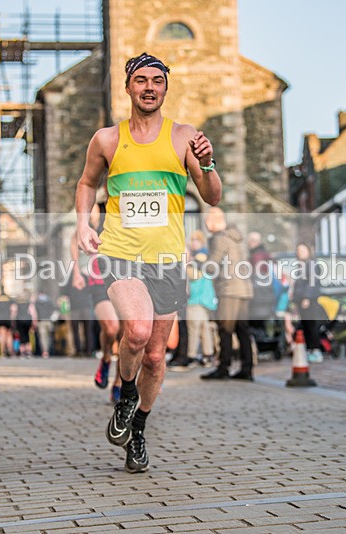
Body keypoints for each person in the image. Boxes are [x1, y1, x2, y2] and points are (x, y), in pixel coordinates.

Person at [75, 52, 221, 473]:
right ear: (128, 87)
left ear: (165, 88)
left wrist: (208, 163)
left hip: (169, 260)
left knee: (156, 358)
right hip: (121, 252)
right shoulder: (106, 139)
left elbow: (212, 196)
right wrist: (83, 224)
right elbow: (86, 183)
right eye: (141, 80)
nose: (150, 87)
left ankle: (137, 428)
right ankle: (124, 396)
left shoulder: (184, 137)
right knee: (135, 330)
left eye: (157, 80)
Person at [72, 202, 123, 401]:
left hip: (125, 279)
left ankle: (119, 383)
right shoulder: (91, 219)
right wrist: (76, 271)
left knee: (127, 336)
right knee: (111, 328)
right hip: (98, 282)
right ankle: (106, 357)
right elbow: (73, 238)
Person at [200, 208, 255, 380]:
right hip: (243, 289)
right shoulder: (236, 238)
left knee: (225, 329)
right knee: (242, 329)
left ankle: (223, 368)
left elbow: (212, 265)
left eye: (207, 220)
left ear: (214, 221)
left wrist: (200, 263)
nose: (206, 224)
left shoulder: (219, 238)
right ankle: (247, 369)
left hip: (229, 289)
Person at [290, 242, 326, 362]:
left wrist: (307, 297)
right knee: (305, 326)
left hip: (309, 300)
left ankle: (316, 350)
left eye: (302, 250)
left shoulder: (311, 265)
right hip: (301, 301)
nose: (300, 253)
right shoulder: (301, 266)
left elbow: (312, 282)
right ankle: (310, 349)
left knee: (312, 326)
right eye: (298, 250)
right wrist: (295, 298)